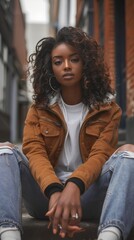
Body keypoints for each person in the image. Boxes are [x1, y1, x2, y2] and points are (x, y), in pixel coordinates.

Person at [0, 26, 134, 240]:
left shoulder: (108, 109)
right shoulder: (38, 110)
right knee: (4, 151)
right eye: (58, 61)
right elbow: (34, 153)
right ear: (50, 67)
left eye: (74, 59)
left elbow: (100, 155)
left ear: (86, 63)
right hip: (45, 199)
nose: (67, 66)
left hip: (88, 196)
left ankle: (110, 235)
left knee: (129, 154)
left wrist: (74, 185)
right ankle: (9, 234)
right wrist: (54, 190)